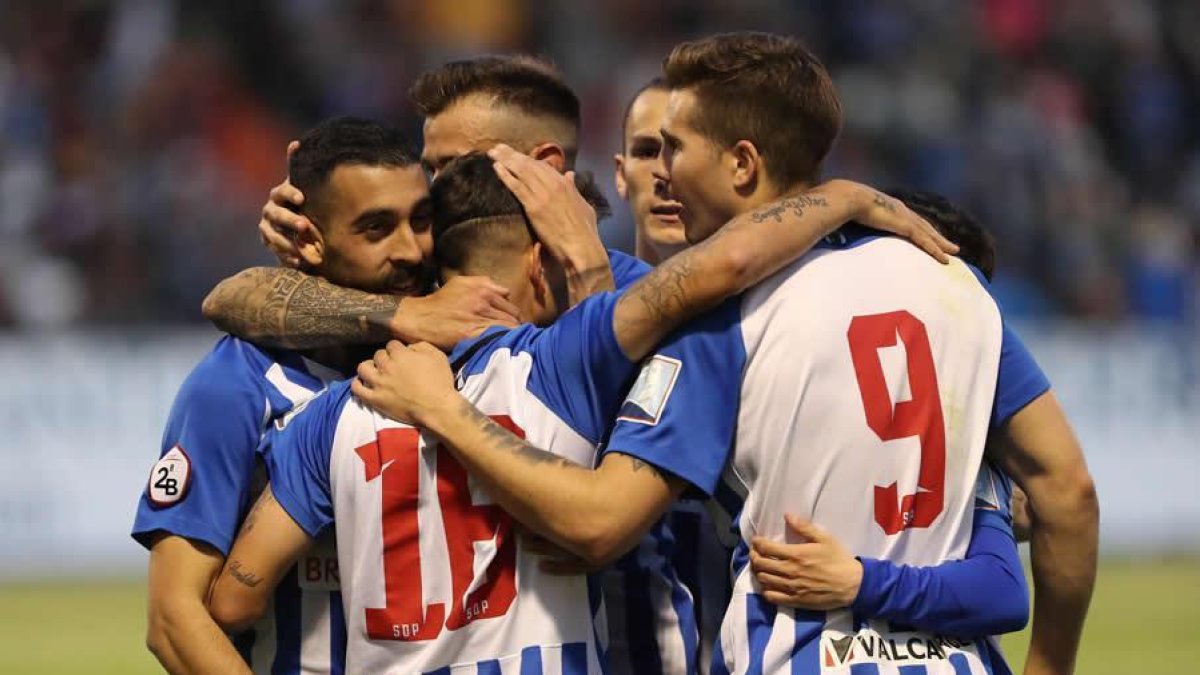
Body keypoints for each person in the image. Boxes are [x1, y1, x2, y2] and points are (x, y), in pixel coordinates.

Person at [352, 33, 1097, 674]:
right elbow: (1067, 491)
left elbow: (602, 521)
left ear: (742, 164)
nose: (658, 173)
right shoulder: (950, 283)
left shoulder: (716, 320)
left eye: (673, 149)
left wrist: (443, 409)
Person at [206, 152, 952, 673]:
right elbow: (725, 263)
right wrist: (849, 195)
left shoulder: (336, 412)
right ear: (539, 263)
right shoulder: (568, 358)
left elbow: (235, 597)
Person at [132, 117, 513, 675]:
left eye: (421, 220)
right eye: (377, 229)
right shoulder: (235, 387)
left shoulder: (466, 358)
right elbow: (174, 621)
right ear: (308, 240)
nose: (411, 249)